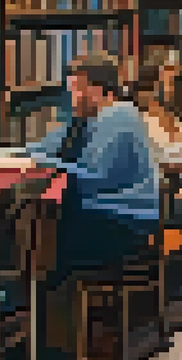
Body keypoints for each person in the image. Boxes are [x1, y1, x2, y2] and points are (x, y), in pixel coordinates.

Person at [26, 52, 159, 283]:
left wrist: (48, 164)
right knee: (40, 232)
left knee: (42, 239)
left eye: (78, 89)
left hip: (124, 220)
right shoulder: (94, 119)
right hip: (115, 214)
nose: (72, 97)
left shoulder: (117, 117)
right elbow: (49, 144)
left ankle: (44, 306)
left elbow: (96, 175)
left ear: (99, 90)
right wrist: (15, 154)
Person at [135, 58, 182, 165]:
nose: (172, 88)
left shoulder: (173, 119)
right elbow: (161, 160)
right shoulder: (142, 122)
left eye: (173, 81)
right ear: (153, 84)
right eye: (169, 81)